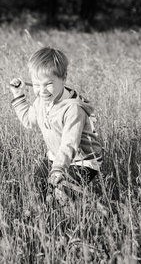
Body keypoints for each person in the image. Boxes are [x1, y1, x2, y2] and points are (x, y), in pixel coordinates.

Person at [9, 47, 103, 202]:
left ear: (63, 78)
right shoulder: (41, 101)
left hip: (83, 160)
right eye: (37, 85)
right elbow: (28, 121)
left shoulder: (73, 108)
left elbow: (70, 143)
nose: (42, 90)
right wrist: (18, 95)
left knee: (62, 193)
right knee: (35, 187)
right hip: (56, 156)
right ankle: (43, 219)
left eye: (48, 84)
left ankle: (90, 215)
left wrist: (58, 169)